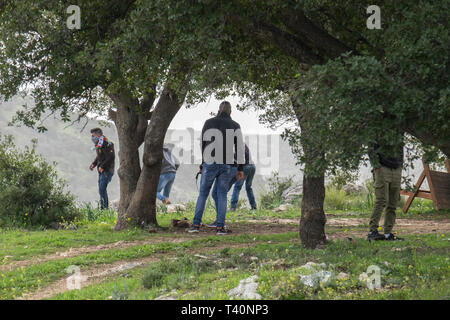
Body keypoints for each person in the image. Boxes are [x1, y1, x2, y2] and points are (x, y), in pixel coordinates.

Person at [189, 101, 244, 235]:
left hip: (210, 162)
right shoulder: (235, 125)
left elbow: (203, 144)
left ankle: (195, 225)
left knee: (203, 194)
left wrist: (203, 164)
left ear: (218, 109)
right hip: (227, 164)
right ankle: (220, 228)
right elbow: (240, 148)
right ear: (230, 111)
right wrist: (240, 168)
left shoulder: (209, 123)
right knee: (222, 195)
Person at [207, 144, 257, 228]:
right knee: (248, 187)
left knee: (232, 189)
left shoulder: (233, 144)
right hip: (252, 166)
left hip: (243, 167)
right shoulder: (242, 144)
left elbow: (237, 159)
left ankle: (231, 209)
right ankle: (254, 206)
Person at [367, 138, 404, 241]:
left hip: (396, 168)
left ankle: (388, 233)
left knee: (393, 202)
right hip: (382, 168)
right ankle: (372, 231)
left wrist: (400, 164)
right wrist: (376, 166)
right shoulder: (378, 129)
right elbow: (371, 148)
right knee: (381, 200)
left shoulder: (398, 128)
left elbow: (401, 148)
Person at [89, 128, 115, 210]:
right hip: (101, 170)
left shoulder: (107, 143)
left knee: (102, 189)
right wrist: (94, 163)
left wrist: (102, 166)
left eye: (93, 136)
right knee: (101, 190)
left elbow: (111, 157)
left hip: (107, 170)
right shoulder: (99, 144)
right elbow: (100, 156)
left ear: (98, 135)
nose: (92, 138)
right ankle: (104, 208)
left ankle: (104, 209)